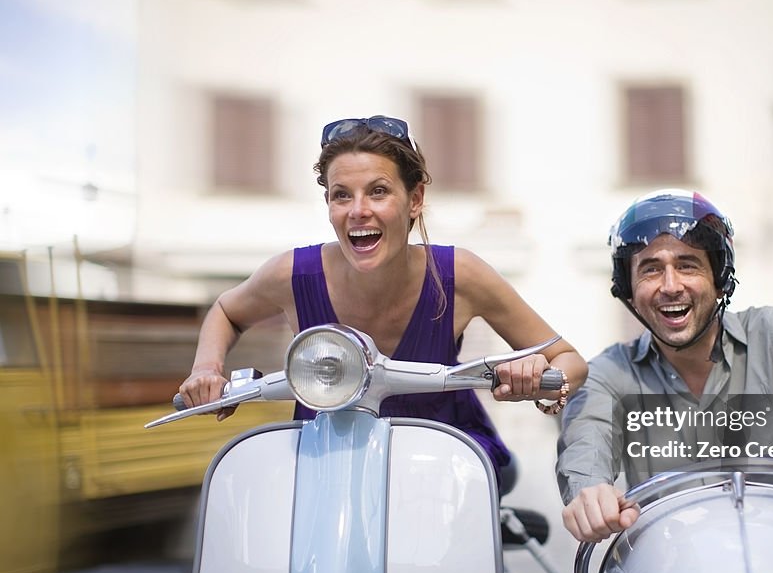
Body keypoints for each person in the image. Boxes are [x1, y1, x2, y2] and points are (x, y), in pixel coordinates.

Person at [179, 115, 588, 487]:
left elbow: (570, 360)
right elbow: (227, 311)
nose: (358, 211)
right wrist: (206, 370)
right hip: (326, 467)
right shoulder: (293, 274)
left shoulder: (460, 274)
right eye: (341, 195)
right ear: (329, 206)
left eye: (378, 192)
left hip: (446, 470)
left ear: (414, 199)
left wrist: (540, 381)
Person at [557, 188, 773, 542]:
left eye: (687, 265)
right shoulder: (607, 374)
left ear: (720, 280)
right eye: (651, 269)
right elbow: (586, 440)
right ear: (628, 288)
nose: (671, 286)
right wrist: (590, 493)